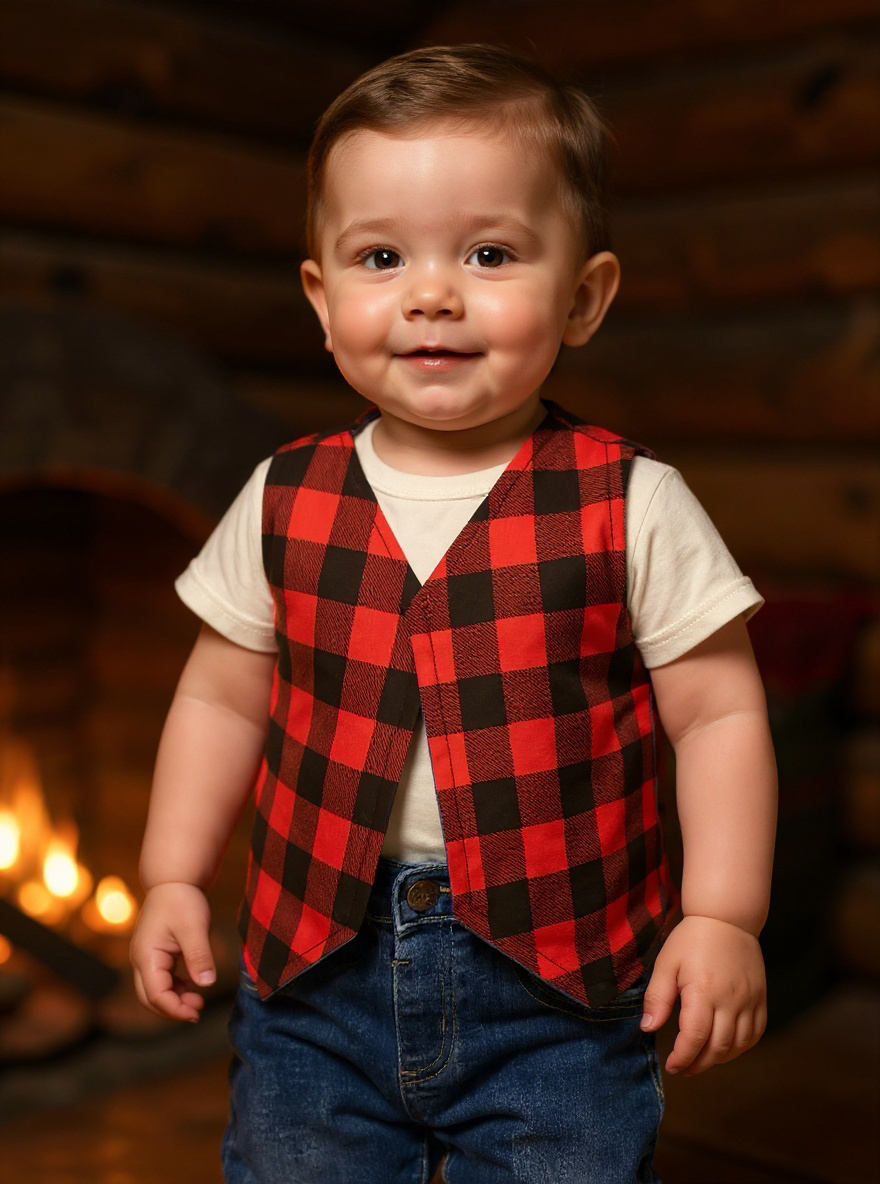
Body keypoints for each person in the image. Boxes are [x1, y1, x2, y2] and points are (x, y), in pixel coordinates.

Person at [130, 44, 777, 1184]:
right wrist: (173, 872)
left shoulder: (631, 500)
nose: (432, 292)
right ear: (323, 303)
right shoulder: (284, 491)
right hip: (314, 978)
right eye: (382, 256)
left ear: (582, 298)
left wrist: (722, 914)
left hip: (559, 992)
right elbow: (220, 693)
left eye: (488, 253)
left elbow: (717, 716)